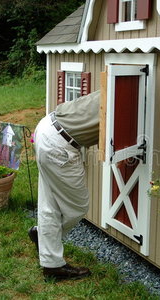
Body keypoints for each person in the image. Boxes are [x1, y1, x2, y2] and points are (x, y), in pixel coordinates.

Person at [28, 90, 100, 280]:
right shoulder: (123, 97)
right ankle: (45, 241)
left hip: (46, 128)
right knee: (78, 206)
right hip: (59, 146)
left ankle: (52, 264)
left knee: (49, 204)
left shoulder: (111, 86)